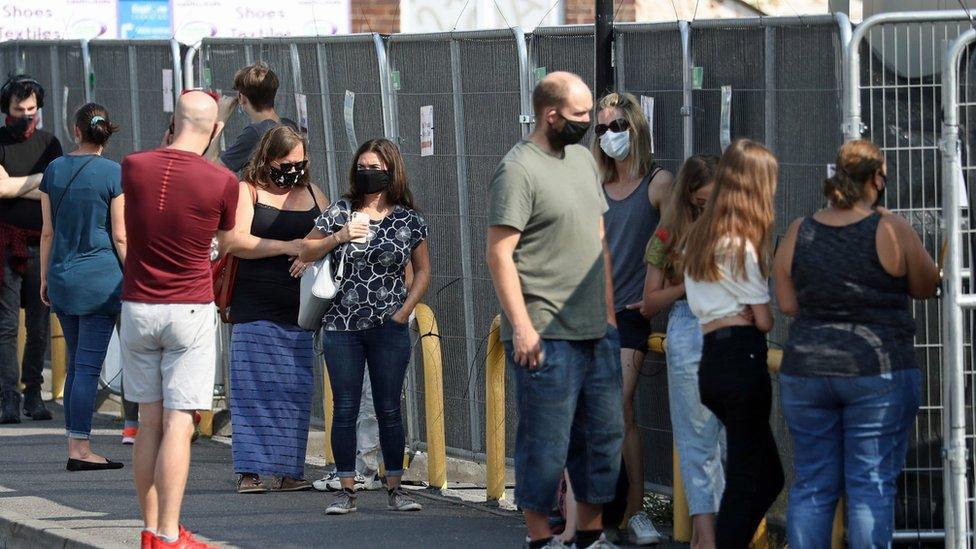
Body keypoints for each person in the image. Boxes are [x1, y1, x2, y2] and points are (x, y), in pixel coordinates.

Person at [772, 140, 939, 548]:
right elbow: (926, 285)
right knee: (869, 485)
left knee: (812, 484)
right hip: (877, 369)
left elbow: (789, 304)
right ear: (877, 179)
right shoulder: (890, 228)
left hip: (807, 370)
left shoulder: (800, 229)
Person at [486, 71, 623, 549]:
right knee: (545, 444)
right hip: (545, 331)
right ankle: (540, 538)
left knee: (602, 439)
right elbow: (500, 253)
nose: (590, 124)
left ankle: (588, 535)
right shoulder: (518, 169)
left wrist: (608, 315)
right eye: (581, 116)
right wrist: (521, 328)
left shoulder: (584, 161)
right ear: (551, 115)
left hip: (594, 330)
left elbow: (599, 241)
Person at [120, 90, 237, 549]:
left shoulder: (133, 165)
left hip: (137, 306)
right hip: (189, 305)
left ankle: (150, 530)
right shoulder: (221, 180)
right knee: (179, 425)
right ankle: (170, 533)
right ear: (216, 130)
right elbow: (226, 241)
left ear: (173, 120)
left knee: (148, 424)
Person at [300, 138, 430, 516]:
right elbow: (305, 250)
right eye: (362, 166)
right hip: (342, 324)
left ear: (391, 172)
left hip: (389, 324)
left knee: (389, 408)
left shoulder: (409, 219)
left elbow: (422, 271)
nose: (367, 173)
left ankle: (395, 489)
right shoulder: (341, 210)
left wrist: (404, 312)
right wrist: (340, 236)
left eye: (375, 167)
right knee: (345, 408)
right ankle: (346, 489)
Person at [683, 138, 783, 548]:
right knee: (747, 477)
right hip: (742, 360)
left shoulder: (698, 241)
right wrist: (754, 314)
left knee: (767, 474)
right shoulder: (742, 243)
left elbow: (699, 302)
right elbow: (763, 318)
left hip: (711, 361)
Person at [224, 125, 326, 494]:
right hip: (255, 305)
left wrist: (314, 248)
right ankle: (249, 471)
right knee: (252, 388)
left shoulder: (313, 192)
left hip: (301, 309)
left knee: (294, 390)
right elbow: (234, 241)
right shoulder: (247, 191)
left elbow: (330, 230)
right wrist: (289, 247)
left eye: (300, 162)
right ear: (267, 159)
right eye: (287, 162)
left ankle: (289, 472)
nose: (294, 170)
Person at [591, 91, 671, 546]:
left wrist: (656, 293)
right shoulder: (594, 185)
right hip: (592, 313)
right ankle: (599, 516)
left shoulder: (659, 183)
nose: (609, 136)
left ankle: (638, 512)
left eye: (617, 126)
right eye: (601, 129)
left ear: (637, 128)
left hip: (631, 314)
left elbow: (679, 239)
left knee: (619, 408)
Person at [642, 155, 724, 549]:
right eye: (702, 203)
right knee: (696, 439)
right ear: (689, 197)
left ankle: (711, 532)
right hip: (690, 327)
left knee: (724, 439)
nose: (710, 209)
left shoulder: (733, 228)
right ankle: (705, 533)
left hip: (729, 330)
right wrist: (687, 287)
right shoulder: (666, 235)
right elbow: (649, 302)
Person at [38, 103, 125, 471]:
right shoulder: (114, 173)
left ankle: (76, 442)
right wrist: (136, 275)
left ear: (76, 130)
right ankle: (81, 449)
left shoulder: (54, 169)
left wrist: (44, 277)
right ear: (106, 133)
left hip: (62, 278)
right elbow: (120, 235)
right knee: (88, 366)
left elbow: (47, 232)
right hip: (101, 282)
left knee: (77, 364)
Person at [0, 74, 62, 424]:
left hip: (41, 242)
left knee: (39, 324)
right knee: (7, 324)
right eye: (18, 109)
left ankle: (33, 392)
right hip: (5, 243)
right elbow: (1, 190)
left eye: (31, 109)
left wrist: (15, 184)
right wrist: (41, 179)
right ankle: (9, 395)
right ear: (6, 109)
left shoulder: (49, 143)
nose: (26, 115)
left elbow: (51, 192)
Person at [210, 62, 297, 173]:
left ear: (241, 98)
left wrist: (220, 120)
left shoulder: (254, 133)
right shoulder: (289, 126)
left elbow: (212, 166)